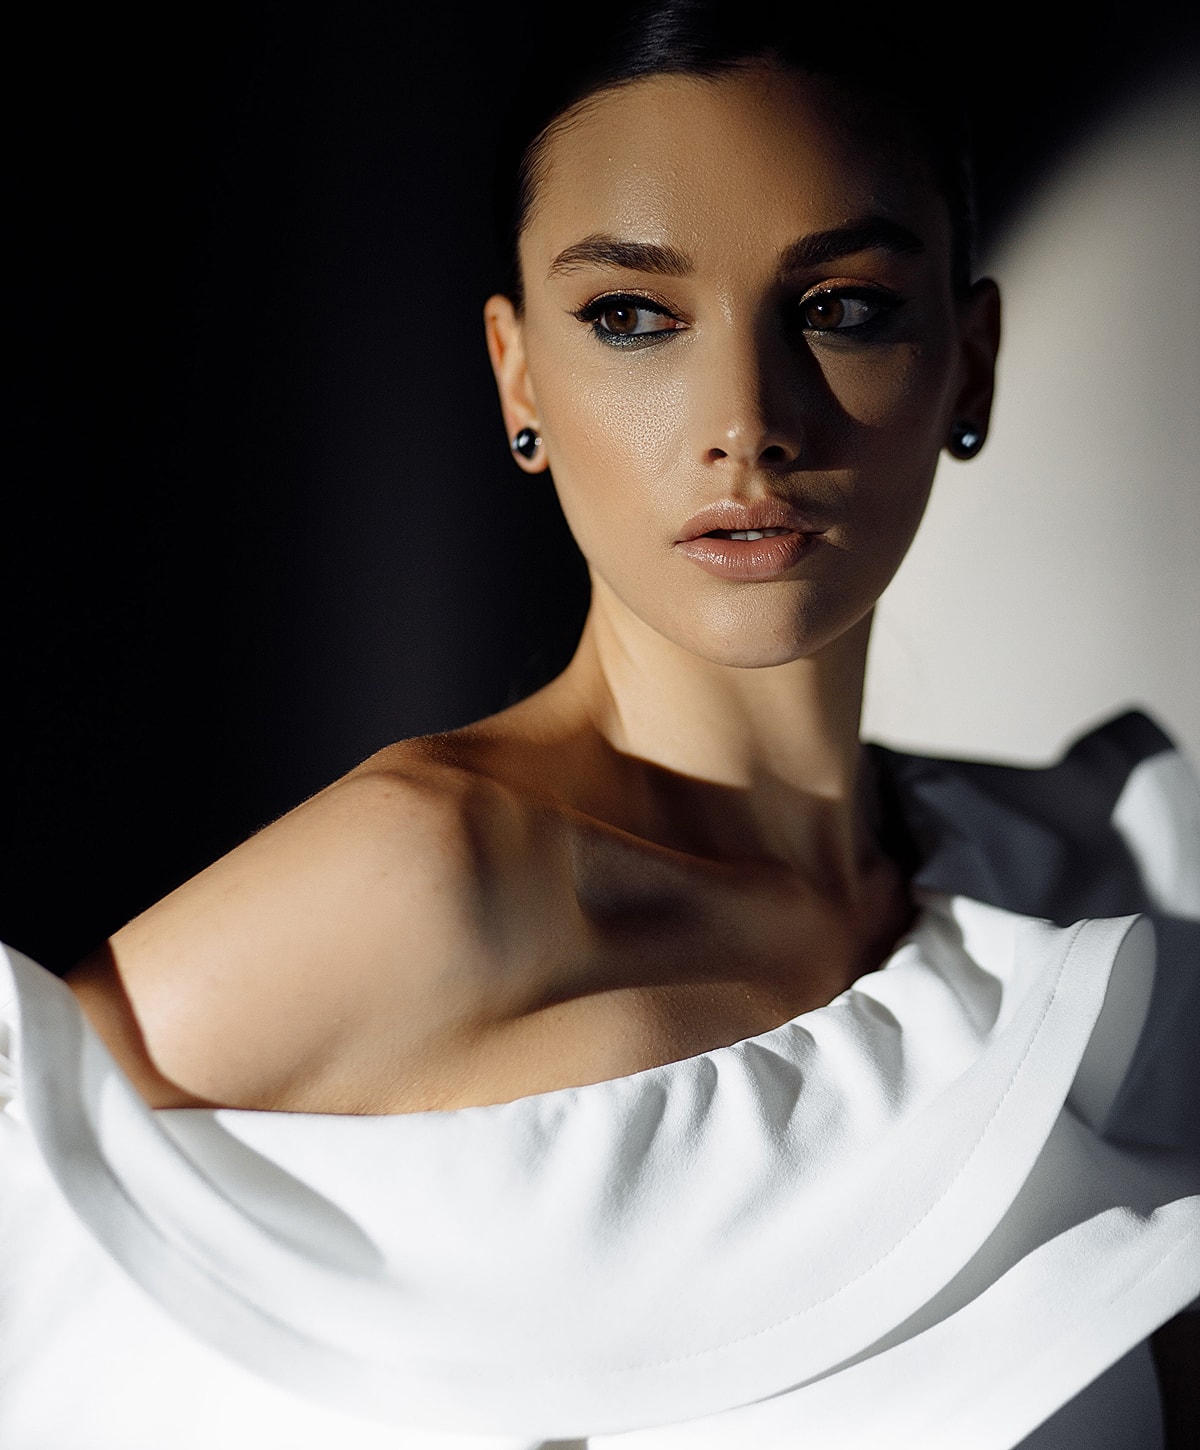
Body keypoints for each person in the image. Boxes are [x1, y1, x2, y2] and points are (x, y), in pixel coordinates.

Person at [1, 2, 1197, 1446]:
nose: (747, 420)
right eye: (634, 316)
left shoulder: (1076, 884)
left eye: (844, 306)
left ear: (973, 358)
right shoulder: (436, 877)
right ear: (519, 375)